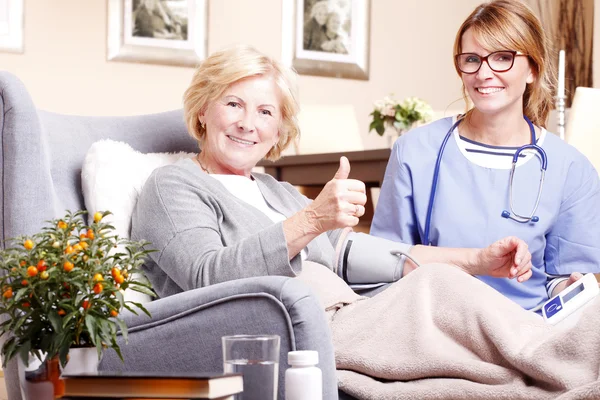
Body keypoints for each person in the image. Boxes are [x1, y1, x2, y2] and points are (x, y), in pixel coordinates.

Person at [131, 44, 600, 398]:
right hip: (304, 331)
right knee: (445, 299)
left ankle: (572, 356)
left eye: (265, 111)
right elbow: (208, 276)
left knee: (444, 290)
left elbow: (356, 253)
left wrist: (477, 260)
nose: (247, 123)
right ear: (202, 110)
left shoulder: (273, 191)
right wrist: (312, 218)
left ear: (278, 130)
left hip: (353, 315)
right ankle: (575, 362)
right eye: (233, 103)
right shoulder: (174, 186)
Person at [371, 0, 600, 313]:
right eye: (472, 59)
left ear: (533, 68)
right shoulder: (415, 152)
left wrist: (572, 288)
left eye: (503, 58)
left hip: (526, 331)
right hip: (434, 325)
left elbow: (559, 279)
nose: (484, 73)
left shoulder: (571, 169)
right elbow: (383, 263)